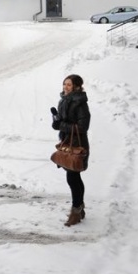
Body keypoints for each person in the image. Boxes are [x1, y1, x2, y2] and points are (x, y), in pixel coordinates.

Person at [51, 74, 91, 227]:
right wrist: (56, 122)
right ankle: (79, 208)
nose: (65, 87)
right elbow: (62, 122)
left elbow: (83, 127)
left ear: (77, 87)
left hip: (78, 144)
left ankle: (76, 211)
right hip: (67, 142)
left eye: (69, 85)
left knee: (73, 177)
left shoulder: (81, 104)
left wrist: (62, 126)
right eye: (64, 84)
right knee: (73, 177)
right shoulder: (64, 100)